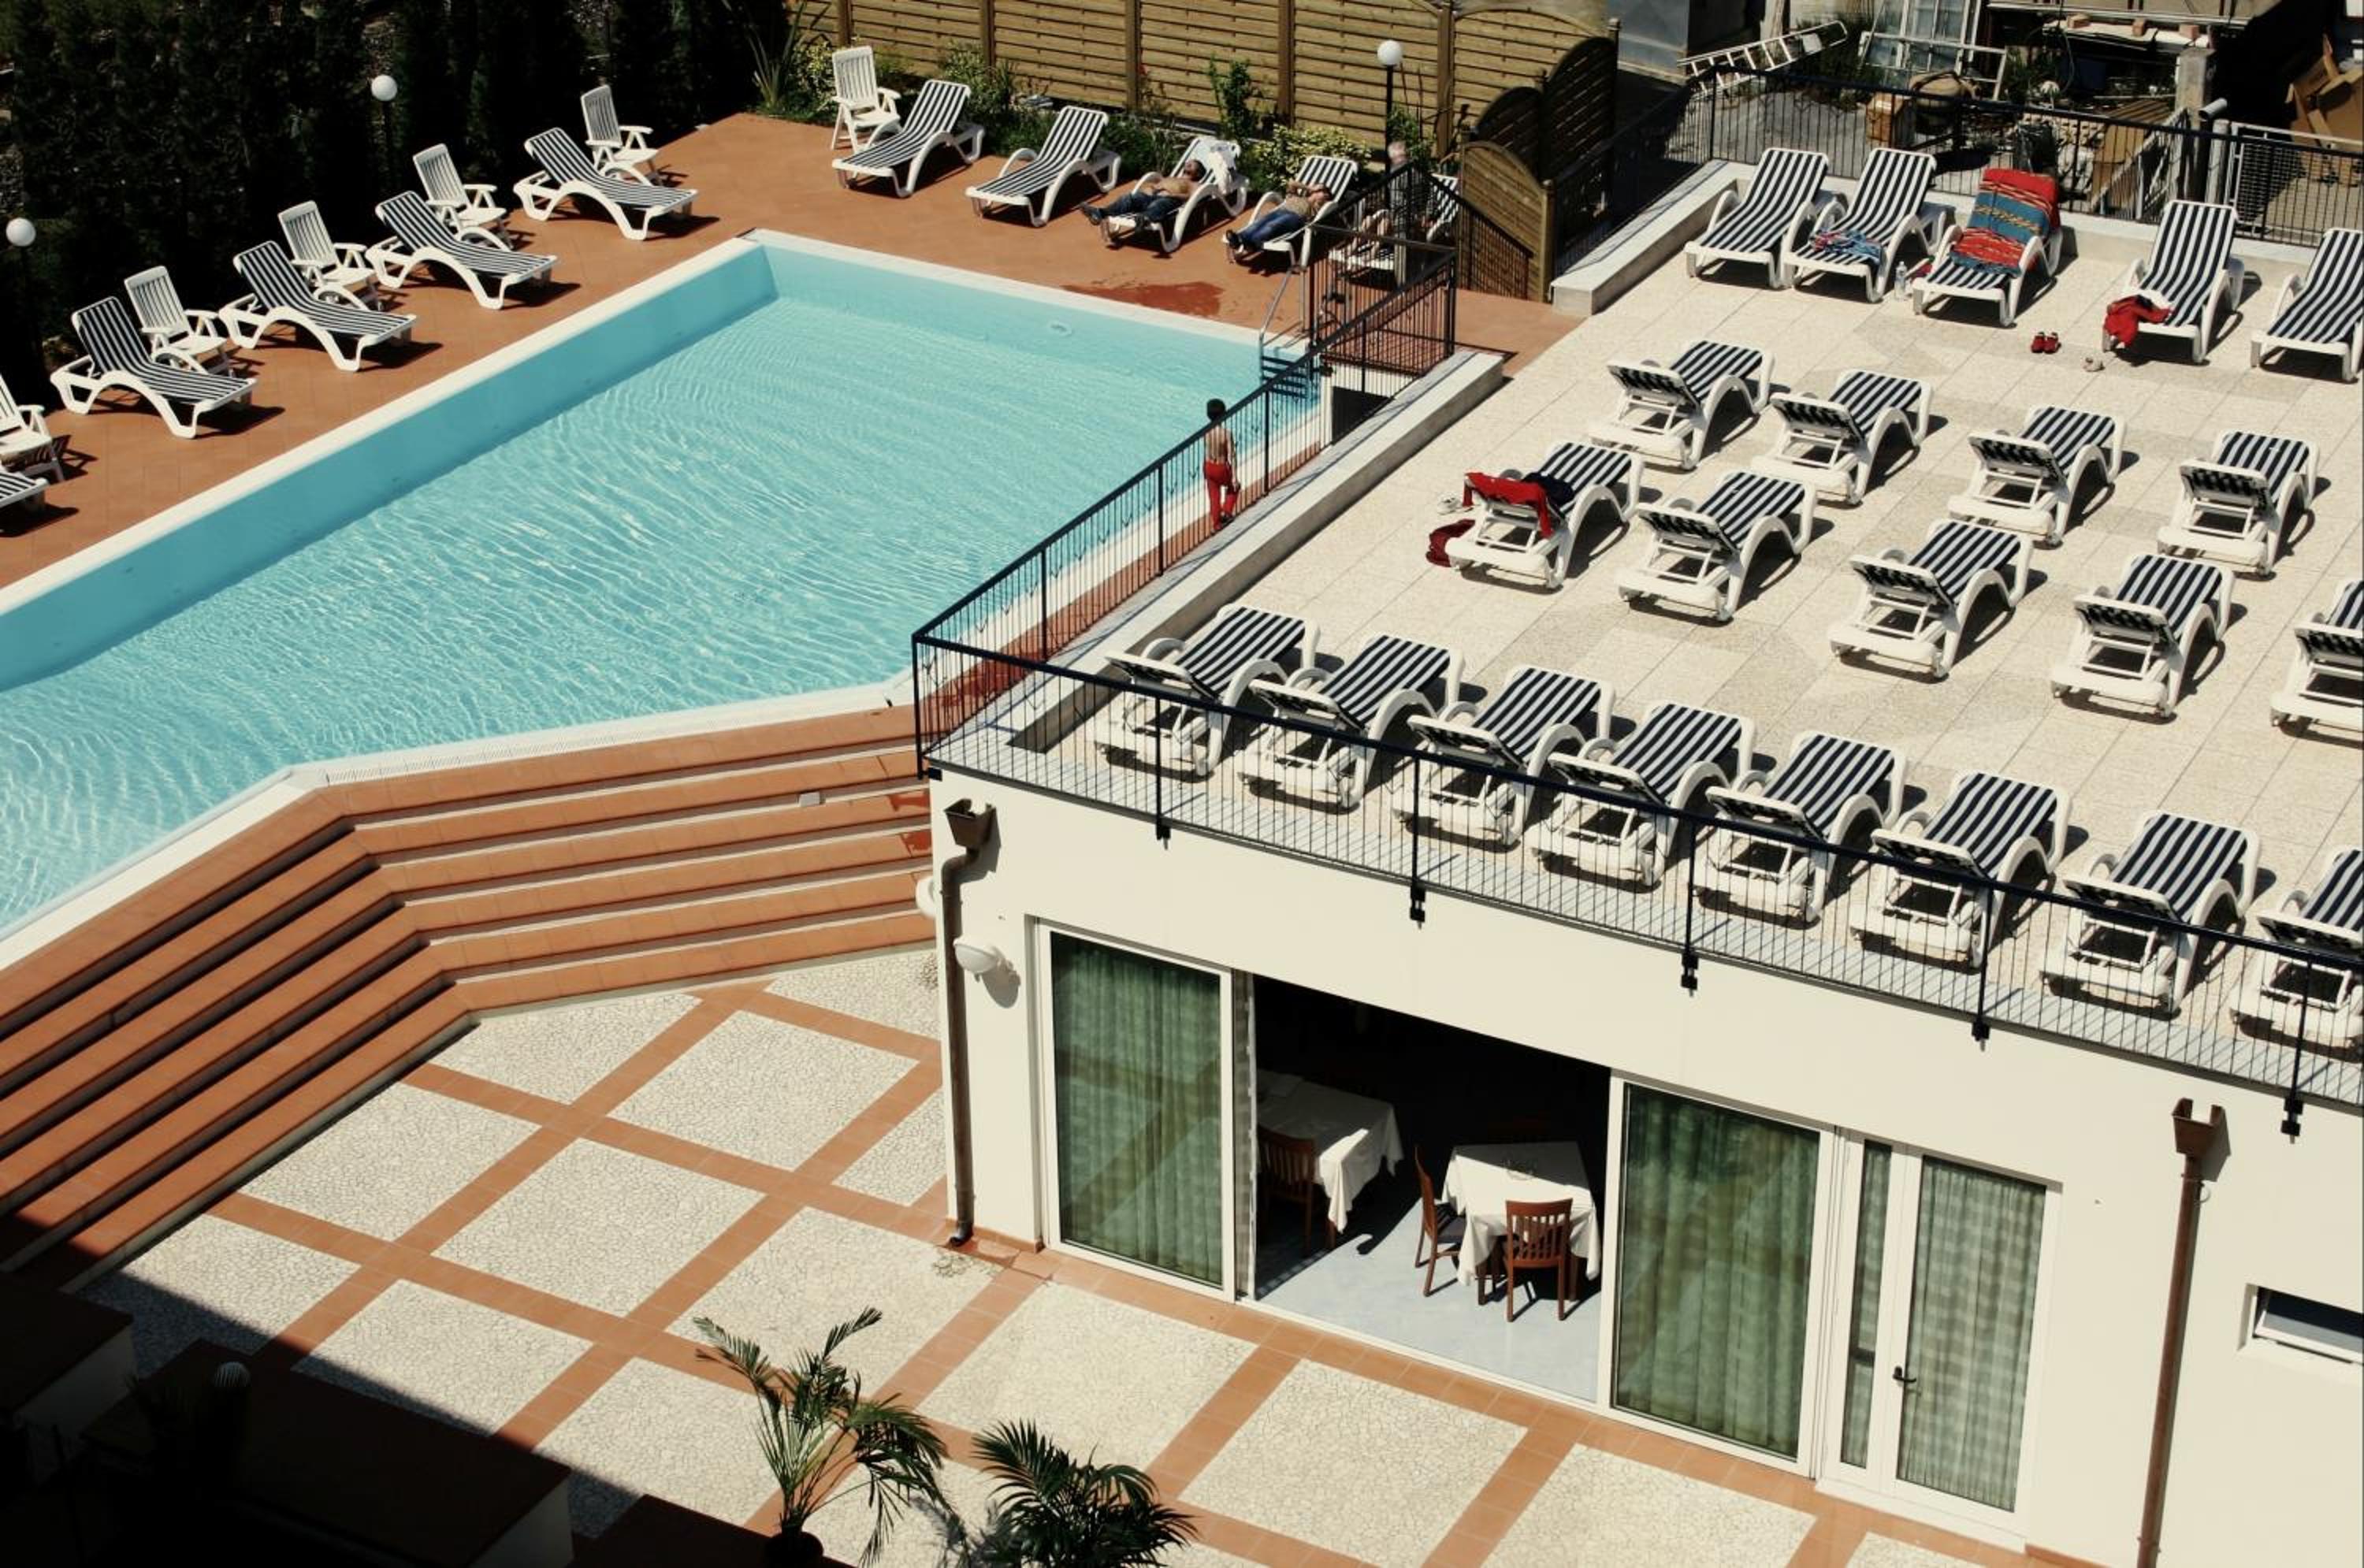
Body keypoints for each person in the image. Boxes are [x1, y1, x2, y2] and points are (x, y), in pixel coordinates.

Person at [1084, 161, 1205, 237]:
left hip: (1169, 200)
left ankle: (1144, 219)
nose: (1188, 163)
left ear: (1198, 173)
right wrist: (1151, 188)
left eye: (1193, 164)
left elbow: (1192, 197)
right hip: (1149, 196)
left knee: (1158, 205)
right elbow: (1155, 185)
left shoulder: (1194, 184)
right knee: (1128, 199)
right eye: (1188, 162)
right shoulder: (1171, 177)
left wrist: (1172, 195)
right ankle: (1100, 213)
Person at [1224, 182, 1329, 264]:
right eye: (1317, 189)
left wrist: (1321, 193)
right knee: (1259, 223)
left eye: (1321, 190)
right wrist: (1309, 188)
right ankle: (1238, 239)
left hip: (1295, 217)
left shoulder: (1316, 206)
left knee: (1273, 225)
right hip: (1281, 211)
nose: (1318, 191)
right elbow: (1292, 183)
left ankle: (1253, 243)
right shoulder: (1296, 196)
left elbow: (1326, 202)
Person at [1202, 398, 1240, 529]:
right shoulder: (1226, 434)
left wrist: (1204, 471)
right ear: (1224, 414)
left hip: (1208, 466)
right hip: (1221, 467)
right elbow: (1232, 455)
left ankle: (1217, 524)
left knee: (1214, 496)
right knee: (1234, 487)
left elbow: (1207, 450)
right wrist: (1234, 477)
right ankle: (1227, 512)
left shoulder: (1206, 432)